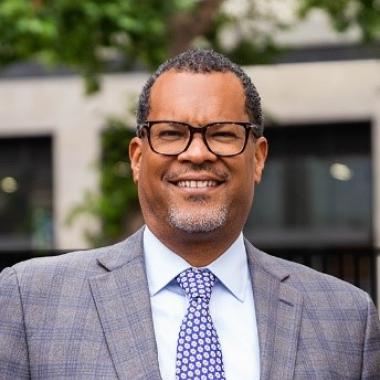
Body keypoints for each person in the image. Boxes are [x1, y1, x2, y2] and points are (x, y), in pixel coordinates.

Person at [0, 49, 379, 380]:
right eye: (170, 133)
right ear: (137, 157)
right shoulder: (30, 301)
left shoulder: (346, 318)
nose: (197, 153)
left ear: (258, 158)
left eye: (224, 134)